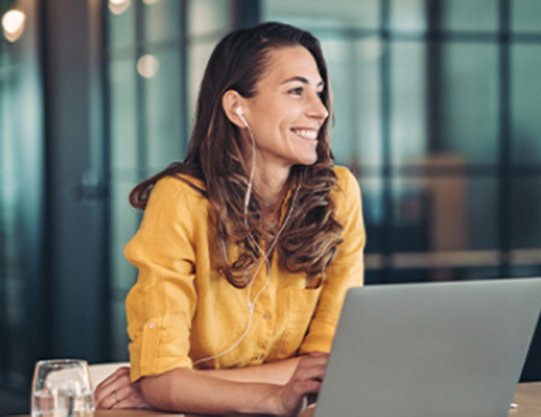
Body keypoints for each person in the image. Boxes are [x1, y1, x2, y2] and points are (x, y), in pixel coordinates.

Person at [93, 22, 365, 416]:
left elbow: (327, 370)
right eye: (296, 91)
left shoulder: (339, 194)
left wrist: (181, 387)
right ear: (238, 107)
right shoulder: (182, 200)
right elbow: (162, 377)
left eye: (319, 92)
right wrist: (270, 393)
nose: (320, 110)